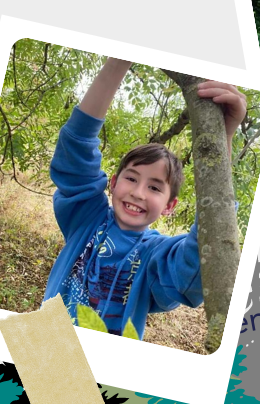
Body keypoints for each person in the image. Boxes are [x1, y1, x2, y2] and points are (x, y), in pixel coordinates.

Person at [44, 57, 246, 339]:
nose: (138, 193)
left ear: (169, 206)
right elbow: (75, 150)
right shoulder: (86, 219)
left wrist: (222, 132)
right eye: (131, 178)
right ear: (112, 184)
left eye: (154, 188)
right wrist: (119, 60)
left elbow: (200, 257)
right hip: (43, 344)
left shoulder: (158, 256)